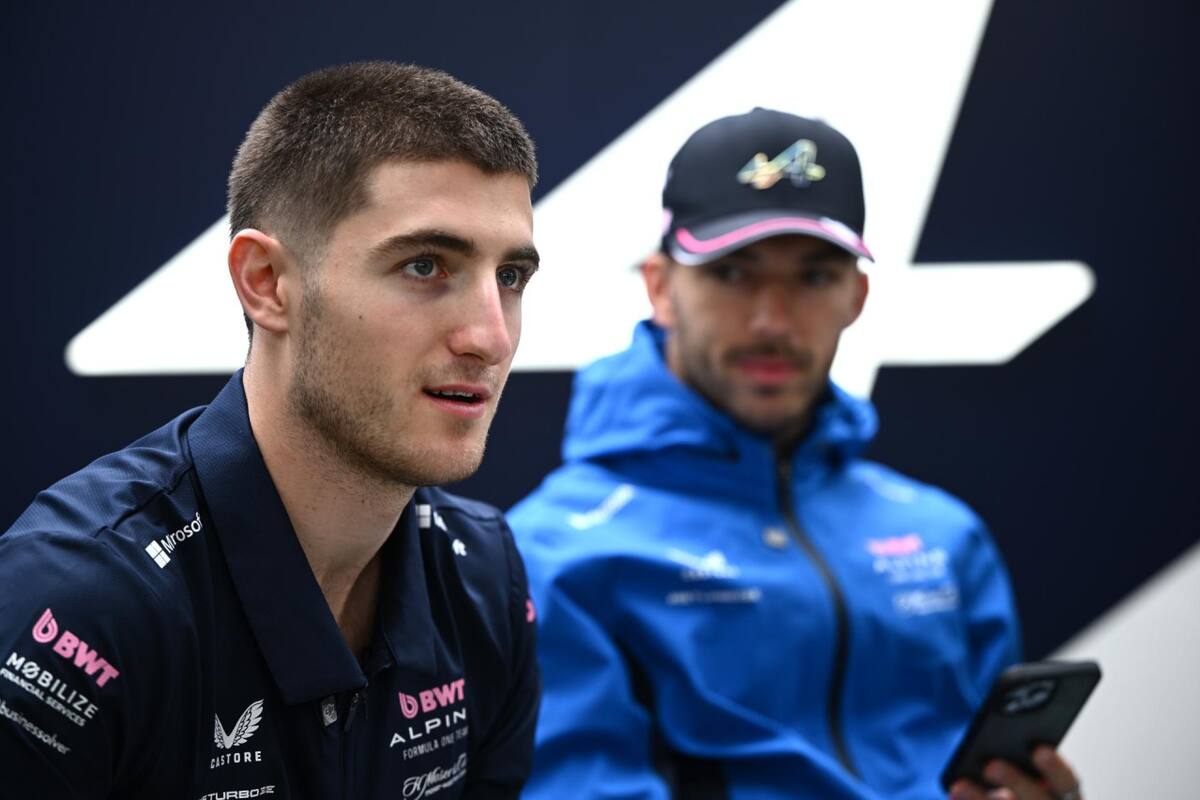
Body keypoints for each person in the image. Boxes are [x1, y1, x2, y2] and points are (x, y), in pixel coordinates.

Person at [0, 62, 542, 798]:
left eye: (510, 277)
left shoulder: (484, 577)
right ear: (266, 283)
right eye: (425, 266)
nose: (491, 338)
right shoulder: (78, 609)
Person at [509, 108, 1084, 800]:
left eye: (813, 278)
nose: (773, 321)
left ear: (856, 296)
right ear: (660, 287)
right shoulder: (554, 554)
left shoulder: (944, 536)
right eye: (733, 274)